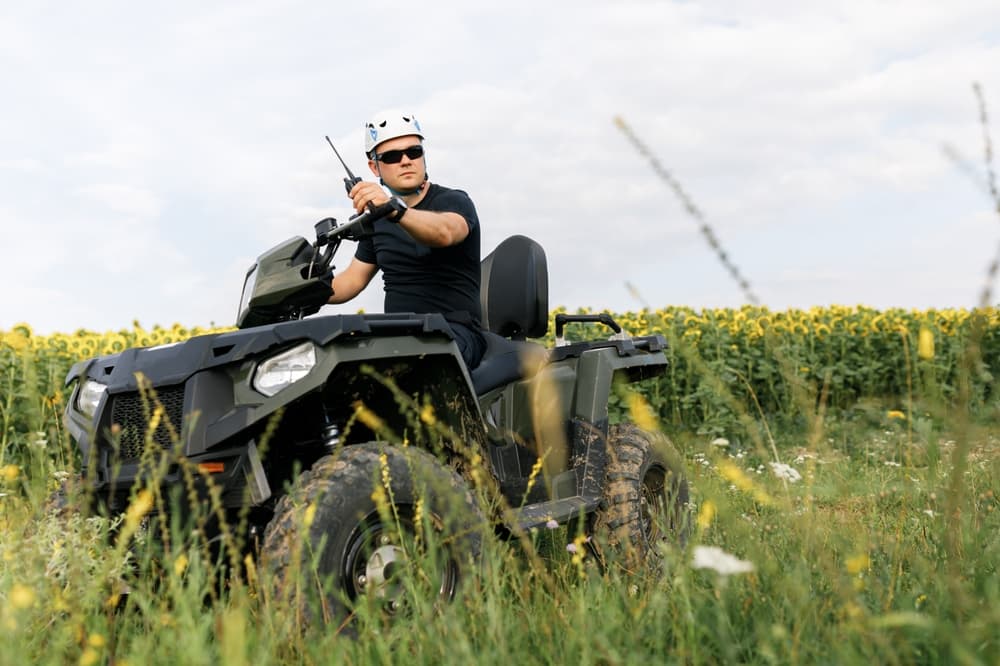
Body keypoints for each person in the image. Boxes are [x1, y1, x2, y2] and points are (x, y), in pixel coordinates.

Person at [327, 110, 487, 370]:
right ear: (374, 166)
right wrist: (304, 288)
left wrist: (395, 210)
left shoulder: (455, 202)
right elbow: (351, 281)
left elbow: (444, 232)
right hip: (398, 336)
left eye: (413, 152)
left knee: (410, 366)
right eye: (392, 156)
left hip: (454, 334)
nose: (405, 161)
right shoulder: (377, 221)